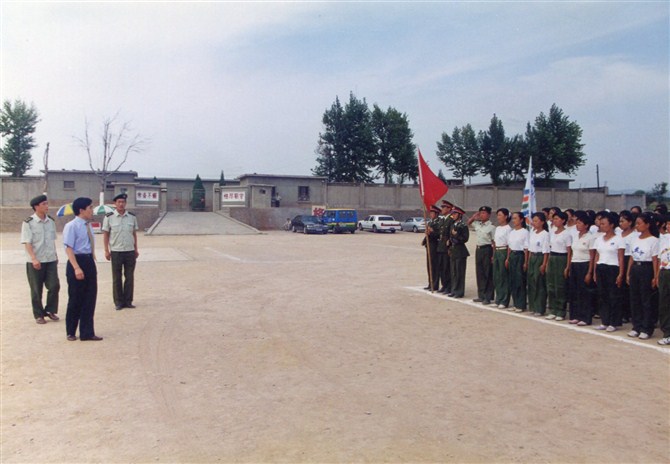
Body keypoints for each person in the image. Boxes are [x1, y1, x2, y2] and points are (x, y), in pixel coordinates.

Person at [63, 197, 102, 341]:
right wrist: (76, 268)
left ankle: (87, 332)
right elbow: (68, 248)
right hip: (77, 261)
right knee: (76, 298)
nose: (92, 210)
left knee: (90, 298)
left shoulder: (88, 225)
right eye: (90, 208)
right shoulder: (71, 226)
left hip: (89, 261)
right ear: (81, 210)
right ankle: (71, 331)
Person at [20, 194, 60, 324]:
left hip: (50, 259)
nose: (47, 206)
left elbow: (52, 241)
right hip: (36, 260)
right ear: (36, 207)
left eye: (47, 203)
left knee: (54, 285)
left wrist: (55, 255)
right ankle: (38, 314)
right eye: (44, 204)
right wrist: (33, 258)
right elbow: (27, 242)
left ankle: (50, 310)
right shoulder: (28, 223)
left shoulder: (51, 221)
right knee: (36, 289)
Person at [102, 193, 140, 310]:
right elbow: (106, 235)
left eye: (123, 202)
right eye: (119, 202)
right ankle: (118, 302)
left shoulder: (131, 217)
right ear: (115, 203)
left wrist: (136, 249)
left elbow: (134, 234)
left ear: (125, 203)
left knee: (129, 277)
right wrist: (106, 250)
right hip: (116, 251)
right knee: (116, 278)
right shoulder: (109, 217)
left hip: (129, 251)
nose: (121, 204)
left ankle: (128, 301)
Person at [626, 213, 659, 340]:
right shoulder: (635, 239)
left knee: (646, 299)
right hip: (635, 268)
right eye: (636, 223)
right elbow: (631, 257)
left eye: (639, 223)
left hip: (647, 268)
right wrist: (628, 273)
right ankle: (636, 326)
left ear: (647, 225)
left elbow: (655, 260)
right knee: (635, 299)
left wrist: (655, 276)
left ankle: (646, 328)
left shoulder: (654, 240)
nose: (637, 226)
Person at [592, 211, 624, 332]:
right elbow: (597, 256)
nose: (601, 226)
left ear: (611, 225)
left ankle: (614, 322)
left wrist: (620, 274)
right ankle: (605, 320)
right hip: (601, 267)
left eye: (603, 224)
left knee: (613, 296)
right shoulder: (599, 239)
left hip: (613, 268)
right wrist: (594, 271)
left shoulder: (618, 239)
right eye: (600, 224)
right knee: (602, 295)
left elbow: (621, 258)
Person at [569, 211, 597, 326]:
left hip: (584, 264)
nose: (577, 225)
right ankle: (575, 315)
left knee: (584, 292)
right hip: (574, 263)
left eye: (580, 223)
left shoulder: (591, 237)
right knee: (574, 291)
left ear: (586, 225)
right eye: (576, 223)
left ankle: (585, 317)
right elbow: (572, 252)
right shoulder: (575, 236)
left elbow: (592, 256)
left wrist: (590, 272)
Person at [546, 211, 572, 321]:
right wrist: (548, 262)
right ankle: (552, 309)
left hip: (562, 258)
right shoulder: (552, 232)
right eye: (554, 219)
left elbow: (569, 251)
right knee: (551, 285)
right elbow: (550, 248)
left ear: (563, 220)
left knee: (560, 285)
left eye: (557, 219)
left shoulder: (567, 234)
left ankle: (561, 311)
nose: (555, 221)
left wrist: (567, 266)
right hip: (552, 257)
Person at [468, 206, 495, 304]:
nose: (481, 215)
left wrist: (493, 255)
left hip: (487, 249)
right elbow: (468, 223)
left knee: (487, 273)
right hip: (478, 249)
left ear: (489, 215)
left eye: (484, 213)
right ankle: (481, 295)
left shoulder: (491, 227)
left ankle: (488, 296)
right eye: (480, 213)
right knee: (479, 273)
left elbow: (494, 242)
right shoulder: (477, 224)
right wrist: (474, 217)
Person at [527, 212, 550, 316]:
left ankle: (540, 308)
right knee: (531, 282)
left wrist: (544, 264)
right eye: (533, 221)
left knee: (539, 283)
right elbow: (530, 249)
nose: (534, 223)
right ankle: (533, 306)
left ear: (542, 222)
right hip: (532, 257)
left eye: (536, 221)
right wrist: (528, 261)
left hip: (540, 257)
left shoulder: (545, 234)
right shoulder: (533, 232)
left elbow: (546, 251)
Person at [506, 212, 529, 312]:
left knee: (520, 280)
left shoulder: (525, 232)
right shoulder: (512, 232)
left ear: (521, 220)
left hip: (520, 255)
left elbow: (526, 248)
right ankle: (515, 303)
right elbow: (509, 247)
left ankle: (521, 304)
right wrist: (507, 258)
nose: (513, 220)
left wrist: (525, 262)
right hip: (512, 255)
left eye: (515, 218)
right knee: (513, 280)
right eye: (513, 218)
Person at [619, 210, 639, 323]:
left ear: (630, 222)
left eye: (623, 221)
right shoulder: (618, 234)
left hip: (628, 259)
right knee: (619, 287)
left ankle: (628, 313)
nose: (621, 223)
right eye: (620, 221)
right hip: (618, 259)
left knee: (627, 288)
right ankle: (621, 312)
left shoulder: (634, 235)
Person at [655, 214, 670, 345]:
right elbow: (660, 258)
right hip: (665, 272)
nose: (669, 226)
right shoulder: (664, 238)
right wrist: (657, 275)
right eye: (668, 224)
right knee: (664, 303)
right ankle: (667, 333)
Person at [447, 206, 469, 298]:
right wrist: (449, 245)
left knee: (460, 272)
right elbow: (450, 236)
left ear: (460, 215)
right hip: (453, 250)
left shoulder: (463, 226)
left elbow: (465, 238)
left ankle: (459, 291)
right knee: (453, 272)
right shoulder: (453, 224)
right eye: (452, 213)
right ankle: (454, 290)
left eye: (455, 213)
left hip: (460, 251)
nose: (453, 215)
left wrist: (456, 235)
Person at [493, 208, 512, 309]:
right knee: (497, 276)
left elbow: (509, 245)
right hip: (497, 251)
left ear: (506, 216)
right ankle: (498, 298)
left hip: (504, 251)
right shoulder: (498, 228)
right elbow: (495, 243)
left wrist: (507, 258)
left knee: (504, 276)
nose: (498, 217)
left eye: (500, 215)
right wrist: (494, 254)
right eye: (497, 215)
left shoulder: (508, 229)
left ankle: (504, 300)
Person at [436, 201, 454, 293]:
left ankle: (449, 286)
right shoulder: (442, 220)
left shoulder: (451, 219)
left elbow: (451, 234)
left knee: (447, 268)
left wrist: (450, 245)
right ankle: (444, 285)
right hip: (440, 246)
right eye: (442, 207)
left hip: (446, 247)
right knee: (441, 267)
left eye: (444, 207)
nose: (442, 209)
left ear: (449, 209)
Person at [423, 206, 441, 291]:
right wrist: (424, 240)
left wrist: (431, 232)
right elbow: (428, 234)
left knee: (434, 266)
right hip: (429, 245)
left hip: (435, 245)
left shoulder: (438, 222)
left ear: (436, 214)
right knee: (429, 265)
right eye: (430, 213)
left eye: (432, 213)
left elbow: (439, 234)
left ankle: (435, 284)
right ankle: (430, 283)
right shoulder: (430, 222)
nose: (430, 214)